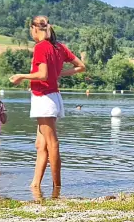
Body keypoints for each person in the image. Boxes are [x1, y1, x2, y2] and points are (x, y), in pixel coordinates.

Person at [9, 15, 86, 194]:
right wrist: (60, 73)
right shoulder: (58, 47)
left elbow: (42, 74)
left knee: (52, 143)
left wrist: (22, 76)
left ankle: (56, 187)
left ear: (34, 28)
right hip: (52, 97)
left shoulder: (41, 47)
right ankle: (35, 184)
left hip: (44, 98)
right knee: (40, 144)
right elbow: (81, 66)